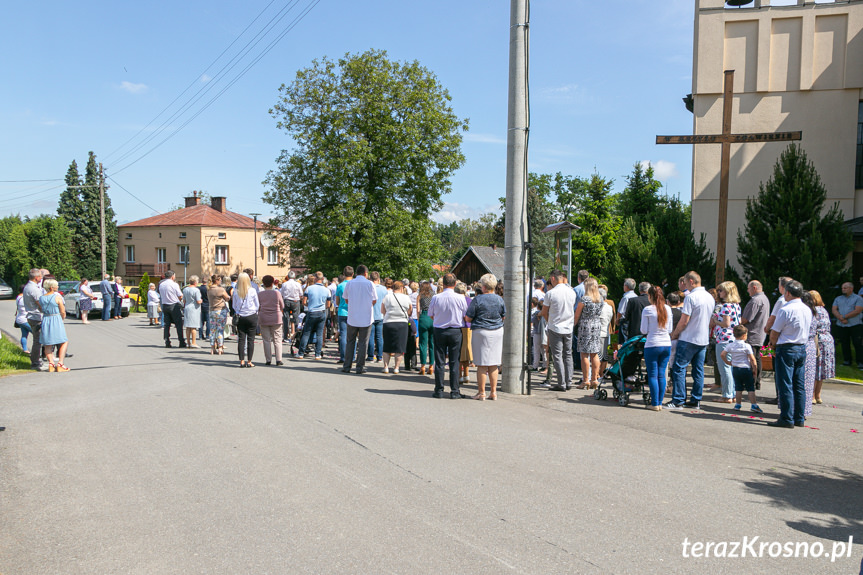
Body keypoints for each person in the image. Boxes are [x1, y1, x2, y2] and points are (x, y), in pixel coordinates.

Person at [768, 281, 813, 428]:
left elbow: (775, 332)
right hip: (801, 347)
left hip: (786, 347)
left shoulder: (785, 309)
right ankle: (798, 417)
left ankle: (786, 418)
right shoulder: (807, 309)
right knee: (798, 385)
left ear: (787, 293)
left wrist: (772, 345)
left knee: (785, 384)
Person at [668, 271, 715, 409]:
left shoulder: (691, 297)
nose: (685, 285)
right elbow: (711, 320)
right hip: (702, 338)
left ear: (691, 281)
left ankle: (678, 399)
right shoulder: (709, 297)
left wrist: (675, 333)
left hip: (688, 337)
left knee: (679, 368)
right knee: (698, 370)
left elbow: (684, 320)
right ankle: (696, 399)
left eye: (686, 282)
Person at [465, 273, 506, 401]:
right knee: (493, 363)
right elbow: (503, 315)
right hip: (497, 330)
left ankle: (481, 392)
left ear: (483, 286)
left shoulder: (478, 299)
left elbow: (469, 317)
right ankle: (493, 392)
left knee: (482, 364)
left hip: (481, 331)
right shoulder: (500, 299)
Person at [428, 273, 469, 398]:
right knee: (454, 361)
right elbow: (465, 315)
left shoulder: (436, 297)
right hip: (455, 330)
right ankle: (455, 391)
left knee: (440, 361)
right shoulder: (461, 298)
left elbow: (431, 314)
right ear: (455, 284)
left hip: (440, 330)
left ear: (443, 284)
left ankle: (439, 390)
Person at [540, 270, 576, 392]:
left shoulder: (550, 293)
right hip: (569, 327)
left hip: (555, 327)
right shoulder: (572, 292)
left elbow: (544, 312)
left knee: (557, 356)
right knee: (568, 354)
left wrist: (549, 320)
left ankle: (561, 383)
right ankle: (569, 381)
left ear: (553, 278)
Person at [640, 285, 673, 411]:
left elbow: (643, 329)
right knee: (661, 374)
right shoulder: (667, 309)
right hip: (666, 343)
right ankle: (659, 402)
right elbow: (669, 329)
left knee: (652, 375)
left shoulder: (648, 310)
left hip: (652, 344)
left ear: (650, 296)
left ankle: (655, 403)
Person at [709, 281, 742, 403]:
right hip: (733, 338)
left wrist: (715, 320)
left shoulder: (726, 306)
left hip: (724, 338)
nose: (719, 293)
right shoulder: (736, 305)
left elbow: (726, 323)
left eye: (721, 291)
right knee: (730, 367)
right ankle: (731, 393)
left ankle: (727, 395)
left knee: (724, 368)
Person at [342, 265, 377, 374]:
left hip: (352, 316)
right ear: (366, 273)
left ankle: (347, 366)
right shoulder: (370, 284)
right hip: (366, 317)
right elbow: (374, 300)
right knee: (363, 343)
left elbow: (346, 299)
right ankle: (359, 367)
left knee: (350, 342)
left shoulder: (350, 283)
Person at [720, 325, 763, 413]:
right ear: (744, 335)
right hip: (745, 368)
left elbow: (722, 354)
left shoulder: (730, 345)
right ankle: (754, 405)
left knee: (738, 388)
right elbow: (752, 359)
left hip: (735, 369)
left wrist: (728, 362)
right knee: (750, 388)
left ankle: (738, 404)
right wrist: (755, 369)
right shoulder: (747, 346)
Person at [573, 277, 605, 389]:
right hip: (596, 326)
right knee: (595, 353)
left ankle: (585, 380)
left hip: (585, 326)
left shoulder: (584, 299)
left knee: (584, 354)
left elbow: (577, 315)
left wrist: (573, 325)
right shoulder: (600, 299)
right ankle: (595, 379)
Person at [805, 290, 835, 407]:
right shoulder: (824, 310)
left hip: (819, 340)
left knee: (815, 367)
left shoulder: (813, 310)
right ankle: (818, 395)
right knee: (822, 368)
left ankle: (812, 396)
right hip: (828, 339)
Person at [740, 280, 769, 391]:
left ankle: (750, 382)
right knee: (756, 358)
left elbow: (746, 319)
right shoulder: (764, 299)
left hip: (752, 333)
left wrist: (735, 323)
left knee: (751, 359)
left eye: (748, 288)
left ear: (754, 288)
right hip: (759, 333)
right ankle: (756, 382)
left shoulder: (755, 300)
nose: (747, 291)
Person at [37, 279, 70, 371]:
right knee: (64, 341)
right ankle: (60, 363)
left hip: (46, 319)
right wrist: (62, 317)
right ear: (52, 287)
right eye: (56, 285)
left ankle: (51, 363)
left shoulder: (41, 298)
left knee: (48, 343)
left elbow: (41, 309)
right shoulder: (57, 297)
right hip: (56, 318)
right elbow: (62, 311)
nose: (58, 287)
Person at [381, 280, 412, 374]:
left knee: (387, 346)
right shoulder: (406, 297)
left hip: (388, 323)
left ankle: (386, 367)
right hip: (402, 323)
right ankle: (396, 368)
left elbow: (382, 310)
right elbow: (410, 311)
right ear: (402, 288)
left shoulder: (387, 297)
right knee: (400, 347)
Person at [298, 274, 331, 359]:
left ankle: (301, 353)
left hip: (312, 311)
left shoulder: (309, 288)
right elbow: (328, 304)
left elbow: (304, 302)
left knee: (306, 333)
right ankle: (318, 354)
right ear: (323, 279)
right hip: (321, 312)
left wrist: (310, 305)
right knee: (320, 334)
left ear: (315, 278)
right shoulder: (327, 290)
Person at [831, 281, 863, 369]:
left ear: (851, 289)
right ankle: (847, 361)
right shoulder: (838, 298)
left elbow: (858, 310)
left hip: (855, 324)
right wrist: (840, 318)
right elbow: (834, 309)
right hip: (842, 325)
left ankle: (860, 362)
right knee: (844, 343)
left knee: (857, 343)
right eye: (842, 288)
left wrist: (844, 317)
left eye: (845, 288)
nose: (843, 289)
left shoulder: (858, 298)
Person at [232, 272, 260, 368]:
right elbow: (257, 304)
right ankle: (249, 361)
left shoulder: (236, 291)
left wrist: (239, 311)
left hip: (241, 316)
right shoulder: (252, 290)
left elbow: (234, 306)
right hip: (251, 315)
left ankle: (241, 361)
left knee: (241, 339)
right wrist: (254, 311)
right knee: (251, 340)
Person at [22, 269, 47, 371]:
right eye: (40, 276)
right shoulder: (34, 289)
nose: (41, 278)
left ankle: (36, 360)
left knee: (37, 340)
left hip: (32, 316)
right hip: (36, 317)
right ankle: (35, 362)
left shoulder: (28, 287)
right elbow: (40, 303)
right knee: (38, 341)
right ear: (36, 277)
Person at [258, 275, 285, 366]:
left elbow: (258, 306)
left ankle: (268, 359)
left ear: (264, 284)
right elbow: (282, 306)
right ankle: (278, 359)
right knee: (277, 339)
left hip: (264, 317)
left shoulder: (260, 294)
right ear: (273, 282)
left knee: (266, 340)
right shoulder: (277, 293)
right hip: (276, 317)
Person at [159, 270, 185, 348]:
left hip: (165, 305)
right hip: (174, 305)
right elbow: (180, 295)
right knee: (178, 324)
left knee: (167, 324)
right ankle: (181, 341)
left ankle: (167, 341)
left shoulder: (161, 284)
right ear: (172, 276)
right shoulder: (174, 284)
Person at [207, 275, 231, 355]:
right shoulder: (220, 289)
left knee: (212, 330)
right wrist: (228, 298)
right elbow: (227, 298)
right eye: (220, 280)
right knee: (220, 330)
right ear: (216, 280)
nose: (220, 281)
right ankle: (220, 347)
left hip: (212, 311)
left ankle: (212, 348)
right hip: (221, 310)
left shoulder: (209, 289)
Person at [367, 271, 387, 364]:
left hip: (370, 314)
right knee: (379, 337)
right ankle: (380, 356)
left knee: (370, 336)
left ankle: (370, 356)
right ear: (378, 279)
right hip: (381, 315)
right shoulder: (384, 289)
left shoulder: (369, 287)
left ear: (370, 279)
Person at [455, 282, 473, 385]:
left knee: (459, 352)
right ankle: (466, 375)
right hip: (468, 327)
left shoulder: (455, 300)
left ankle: (460, 375)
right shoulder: (469, 300)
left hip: (458, 326)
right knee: (466, 351)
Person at [335, 266, 354, 362]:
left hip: (342, 311)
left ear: (343, 274)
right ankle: (352, 357)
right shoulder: (355, 285)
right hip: (353, 312)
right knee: (353, 336)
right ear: (353, 274)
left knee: (343, 335)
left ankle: (343, 357)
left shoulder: (340, 286)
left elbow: (337, 302)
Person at [417, 282, 435, 376]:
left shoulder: (420, 295)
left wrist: (419, 319)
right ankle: (431, 366)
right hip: (432, 318)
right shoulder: (434, 295)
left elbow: (418, 310)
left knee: (423, 344)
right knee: (432, 344)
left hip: (423, 317)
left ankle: (423, 366)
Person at [281, 271, 303, 343]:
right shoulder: (298, 284)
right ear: (294, 277)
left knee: (286, 318)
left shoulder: (284, 284)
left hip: (287, 300)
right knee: (296, 318)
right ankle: (296, 336)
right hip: (295, 301)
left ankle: (285, 336)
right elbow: (301, 294)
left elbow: (282, 293)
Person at [182, 276, 203, 348]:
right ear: (195, 282)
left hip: (187, 307)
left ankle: (188, 342)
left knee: (188, 327)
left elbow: (183, 300)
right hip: (194, 309)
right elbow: (198, 301)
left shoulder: (185, 289)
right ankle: (193, 342)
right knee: (193, 327)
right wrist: (201, 300)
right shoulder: (196, 290)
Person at [14, 285, 32, 352]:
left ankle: (25, 350)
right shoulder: (24, 299)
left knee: (24, 335)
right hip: (25, 319)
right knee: (37, 334)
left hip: (20, 319)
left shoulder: (18, 297)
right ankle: (38, 352)